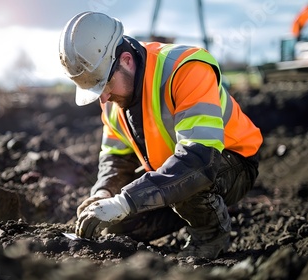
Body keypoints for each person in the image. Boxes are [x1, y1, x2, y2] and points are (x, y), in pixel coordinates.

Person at [58, 11, 263, 259]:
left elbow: (199, 159)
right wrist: (105, 193)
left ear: (126, 60)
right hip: (171, 169)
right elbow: (116, 157)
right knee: (115, 224)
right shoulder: (111, 98)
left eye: (105, 84)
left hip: (231, 162)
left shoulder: (185, 69)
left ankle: (209, 236)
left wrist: (126, 202)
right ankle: (181, 207)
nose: (103, 98)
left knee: (186, 178)